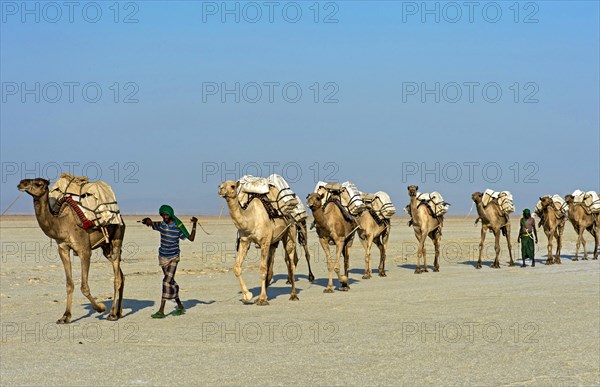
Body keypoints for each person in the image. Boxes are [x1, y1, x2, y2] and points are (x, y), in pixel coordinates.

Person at [142, 205, 197, 318]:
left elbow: (191, 238)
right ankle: (180, 306)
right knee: (170, 282)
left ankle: (161, 310)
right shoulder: (161, 225)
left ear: (171, 215)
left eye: (166, 215)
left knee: (166, 282)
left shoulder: (177, 227)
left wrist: (195, 224)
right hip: (163, 257)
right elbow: (151, 223)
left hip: (173, 258)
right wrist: (147, 221)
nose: (165, 217)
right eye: (163, 215)